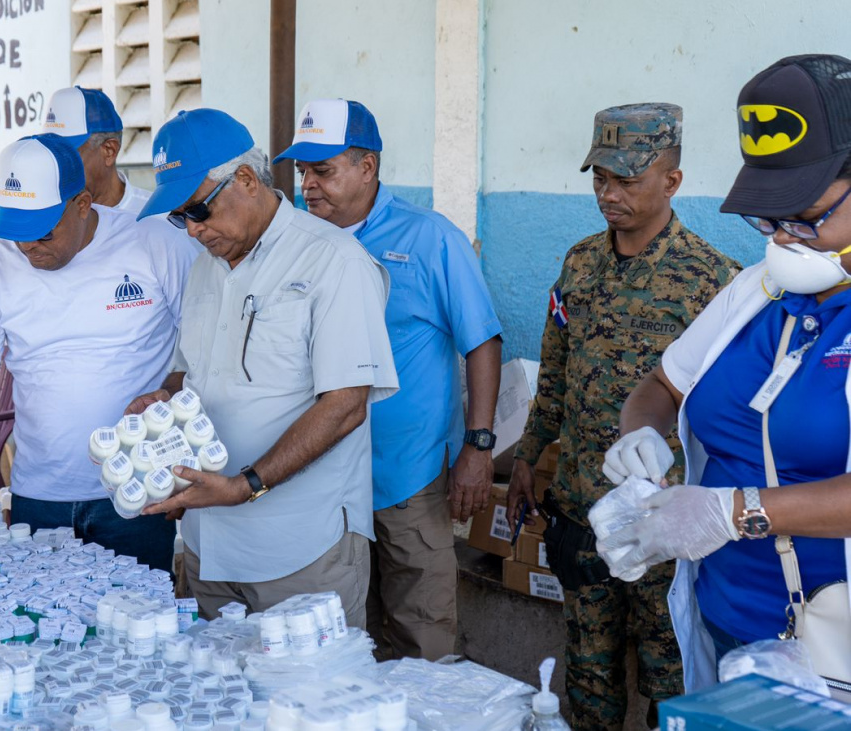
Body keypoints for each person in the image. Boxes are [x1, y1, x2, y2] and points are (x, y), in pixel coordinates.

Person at [600, 54, 851, 695]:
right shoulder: (755, 293)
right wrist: (643, 438)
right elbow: (661, 387)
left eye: (807, 218)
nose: (785, 239)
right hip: (727, 623)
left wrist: (733, 514)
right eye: (767, 220)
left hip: (833, 651)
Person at [506, 103, 738, 728]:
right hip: (584, 513)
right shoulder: (579, 265)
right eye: (600, 179)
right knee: (588, 677)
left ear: (673, 180)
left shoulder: (714, 283)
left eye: (628, 180)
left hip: (667, 529)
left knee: (674, 685)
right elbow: (555, 374)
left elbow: (728, 416)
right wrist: (529, 457)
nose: (610, 194)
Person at [121, 109, 398, 626]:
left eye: (198, 210)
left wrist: (246, 486)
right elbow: (192, 375)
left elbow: (344, 406)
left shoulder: (334, 261)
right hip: (209, 547)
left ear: (246, 180)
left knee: (312, 702)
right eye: (180, 218)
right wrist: (165, 403)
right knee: (216, 700)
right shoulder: (205, 269)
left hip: (300, 550)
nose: (193, 231)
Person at [273, 98, 503, 661]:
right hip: (323, 479)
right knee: (342, 640)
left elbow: (483, 341)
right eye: (303, 172)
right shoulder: (299, 243)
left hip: (406, 476)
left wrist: (477, 447)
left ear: (367, 167)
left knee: (419, 637)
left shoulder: (430, 239)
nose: (309, 186)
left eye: (322, 171)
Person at [0, 134, 197, 573]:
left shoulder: (154, 242)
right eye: (14, 232)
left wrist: (173, 399)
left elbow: (204, 349)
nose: (27, 248)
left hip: (136, 493)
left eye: (41, 232)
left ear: (82, 203)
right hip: (38, 498)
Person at [42, 86, 151, 214]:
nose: (55, 167)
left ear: (109, 151)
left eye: (68, 157)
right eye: (50, 155)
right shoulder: (37, 217)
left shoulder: (157, 218)